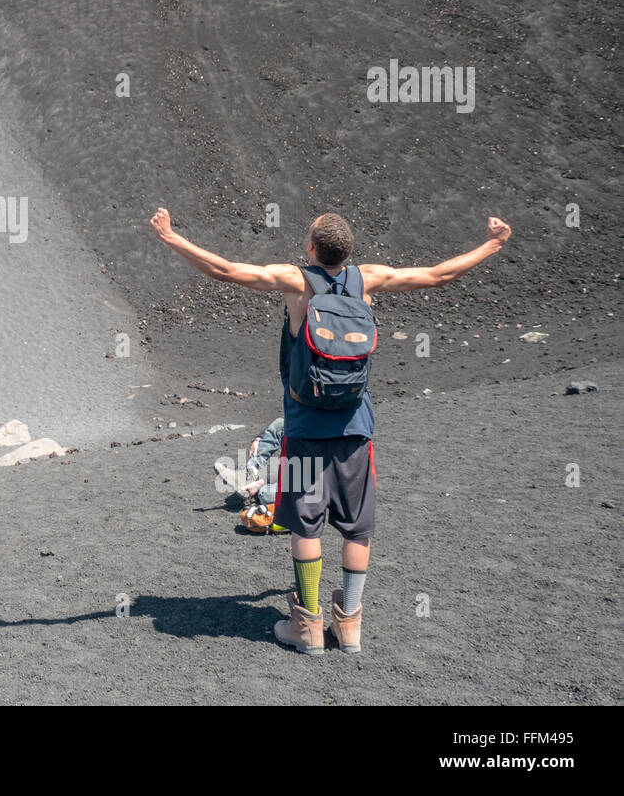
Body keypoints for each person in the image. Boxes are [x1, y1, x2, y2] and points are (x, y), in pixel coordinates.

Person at [151, 208, 511, 654]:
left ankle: (308, 627)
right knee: (357, 530)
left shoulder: (297, 282)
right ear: (348, 251)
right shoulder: (369, 279)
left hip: (304, 430)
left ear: (310, 247)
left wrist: (171, 237)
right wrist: (493, 244)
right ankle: (350, 628)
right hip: (356, 429)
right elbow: (438, 276)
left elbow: (225, 270)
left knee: (306, 526)